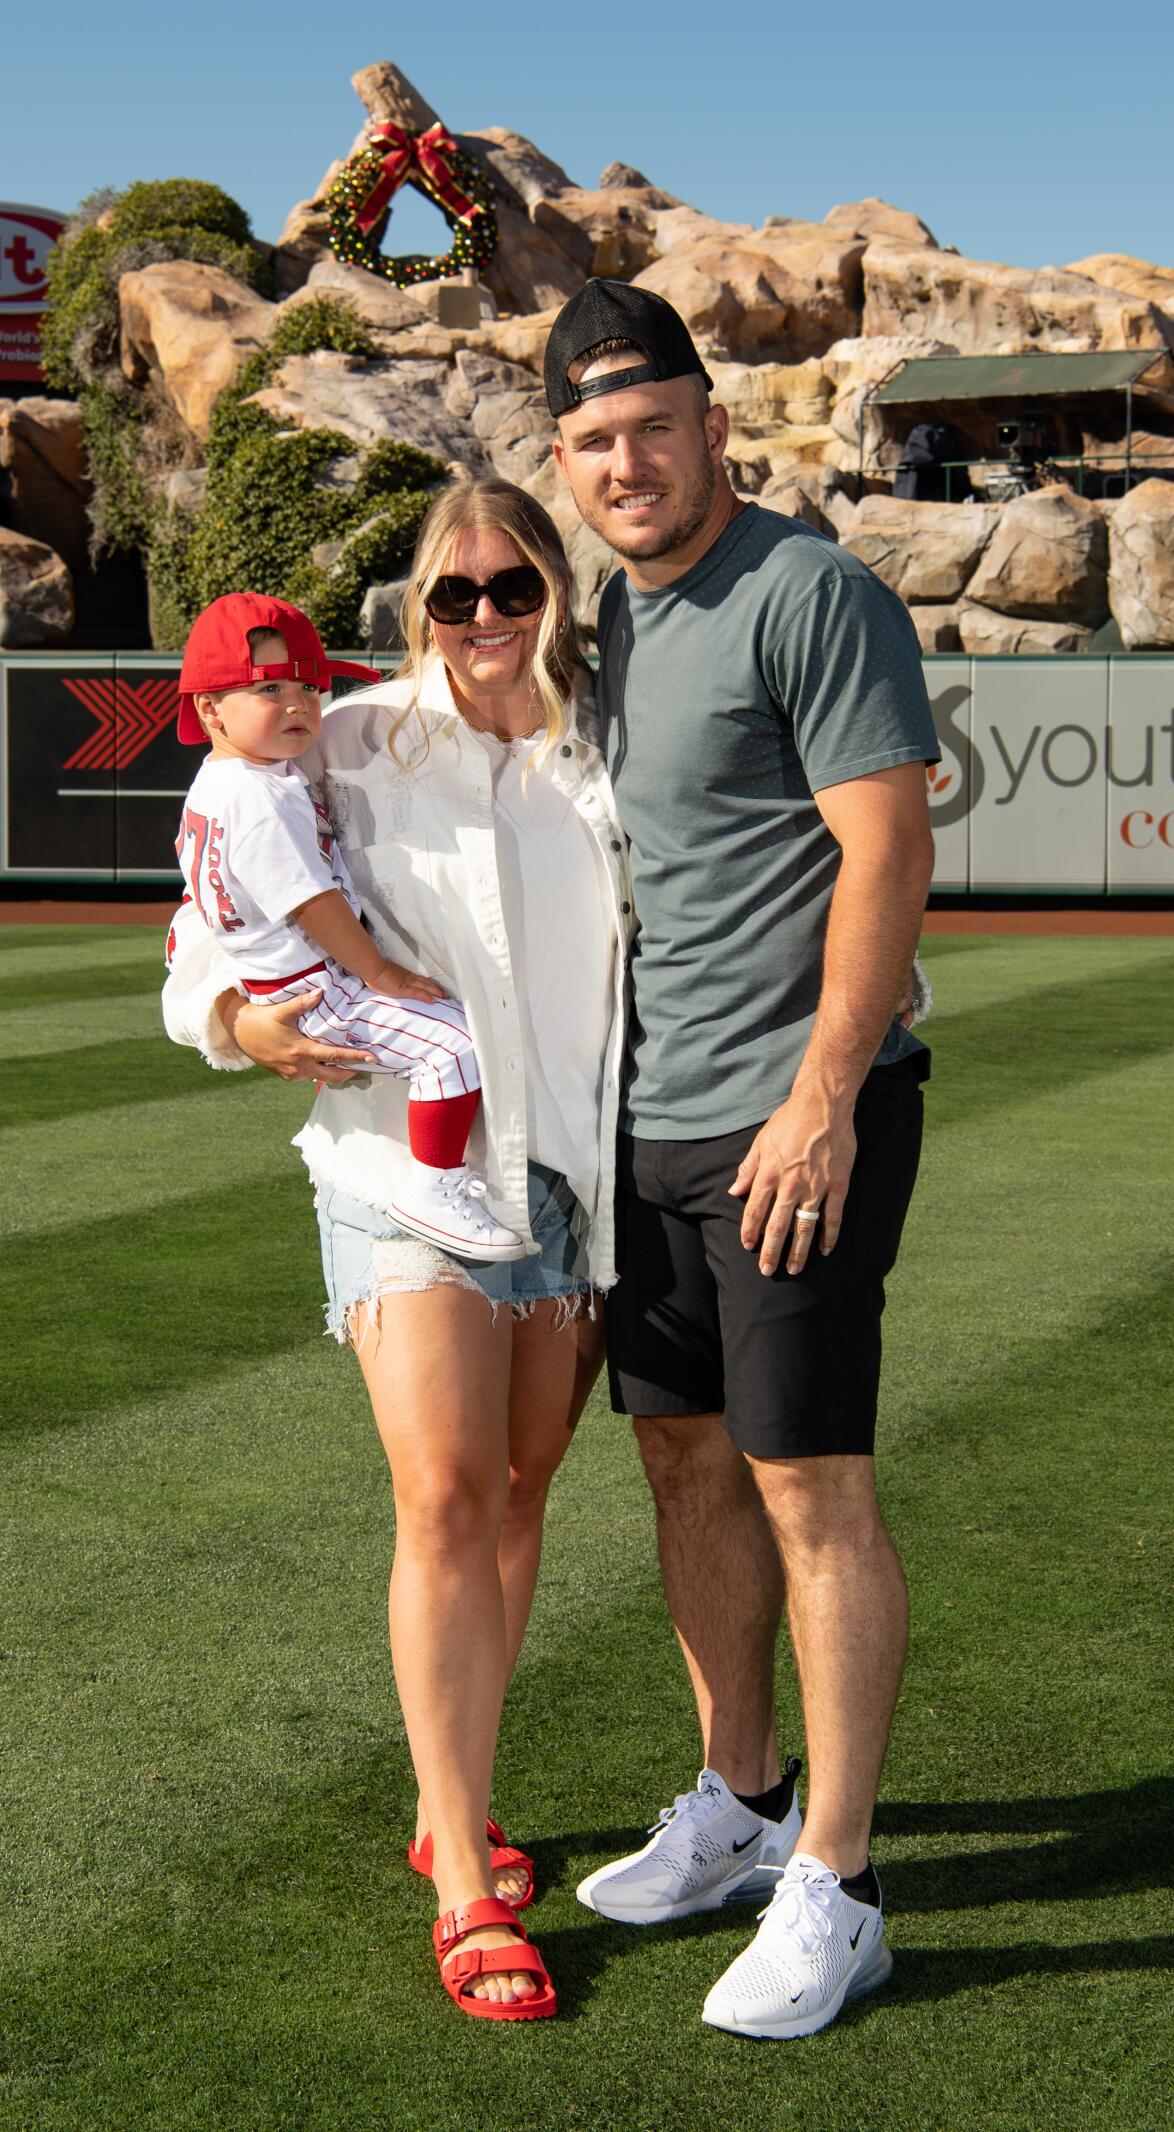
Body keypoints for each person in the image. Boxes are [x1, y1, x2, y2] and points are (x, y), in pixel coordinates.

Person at [162, 477, 632, 2022]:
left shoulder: (603, 754)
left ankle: (457, 1793)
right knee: (438, 1493)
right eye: (456, 593)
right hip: (398, 1170)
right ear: (417, 607)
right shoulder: (344, 741)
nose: (487, 618)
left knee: (515, 1490)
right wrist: (234, 1021)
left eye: (515, 589)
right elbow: (197, 941)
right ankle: (454, 1884)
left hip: (564, 1183)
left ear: (555, 594)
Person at [546, 279, 939, 2040]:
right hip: (650, 1128)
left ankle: (837, 1884)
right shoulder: (608, 622)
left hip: (797, 1125)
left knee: (812, 1489)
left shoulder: (809, 589)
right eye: (590, 442)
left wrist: (825, 1091)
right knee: (686, 1471)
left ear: (713, 422)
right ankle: (740, 1795)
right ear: (563, 465)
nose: (626, 464)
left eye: (651, 426)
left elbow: (886, 854)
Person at [174, 591, 522, 1260]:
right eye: (269, 686)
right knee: (452, 1048)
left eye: (310, 684)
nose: (300, 703)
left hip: (281, 981)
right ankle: (434, 1186)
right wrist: (382, 973)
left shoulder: (219, 785)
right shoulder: (257, 794)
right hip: (316, 987)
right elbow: (313, 903)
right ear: (209, 707)